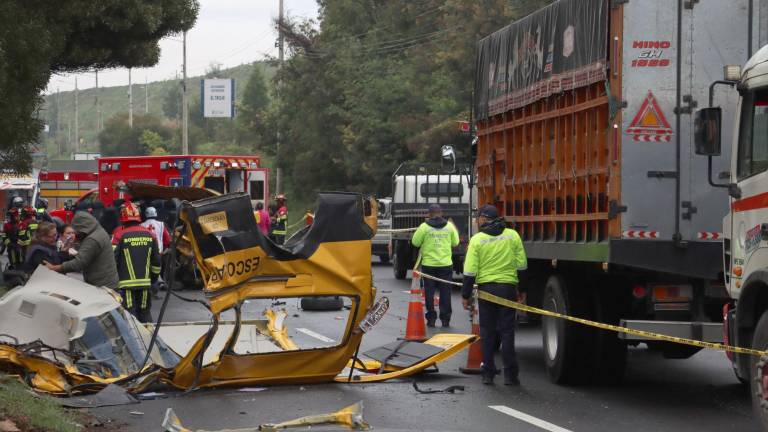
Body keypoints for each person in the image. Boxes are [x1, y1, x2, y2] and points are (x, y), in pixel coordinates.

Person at [461, 204, 527, 386]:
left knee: (487, 333)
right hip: (507, 289)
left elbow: (470, 271)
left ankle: (488, 373)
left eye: (478, 218)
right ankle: (510, 376)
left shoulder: (477, 240)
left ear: (483, 218)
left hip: (486, 291)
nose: (476, 221)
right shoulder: (512, 235)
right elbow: (522, 265)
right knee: (507, 333)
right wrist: (522, 290)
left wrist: (465, 295)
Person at [112, 201, 161, 323]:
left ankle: (134, 341)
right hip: (145, 284)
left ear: (123, 218)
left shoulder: (118, 235)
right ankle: (150, 339)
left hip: (126, 285)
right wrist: (153, 279)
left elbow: (112, 259)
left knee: (130, 315)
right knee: (145, 313)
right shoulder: (150, 235)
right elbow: (157, 262)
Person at [411, 203, 459, 328]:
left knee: (429, 292)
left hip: (429, 265)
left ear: (429, 214)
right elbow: (455, 243)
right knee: (445, 293)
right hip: (445, 265)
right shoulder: (449, 226)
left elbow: (415, 242)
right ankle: (445, 319)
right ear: (441, 213)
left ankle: (431, 319)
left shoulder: (424, 227)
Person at [45, 211, 120, 290]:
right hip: (107, 284)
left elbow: (78, 263)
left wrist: (53, 268)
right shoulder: (98, 231)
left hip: (103, 287)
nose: (76, 233)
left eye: (77, 230)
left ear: (83, 227)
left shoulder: (93, 239)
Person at [3, 197, 25, 268]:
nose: (17, 217)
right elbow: (4, 236)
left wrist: (19, 244)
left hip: (19, 247)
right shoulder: (7, 225)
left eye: (18, 216)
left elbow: (23, 236)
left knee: (21, 261)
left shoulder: (21, 224)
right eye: (16, 216)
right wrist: (9, 243)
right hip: (11, 247)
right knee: (13, 262)